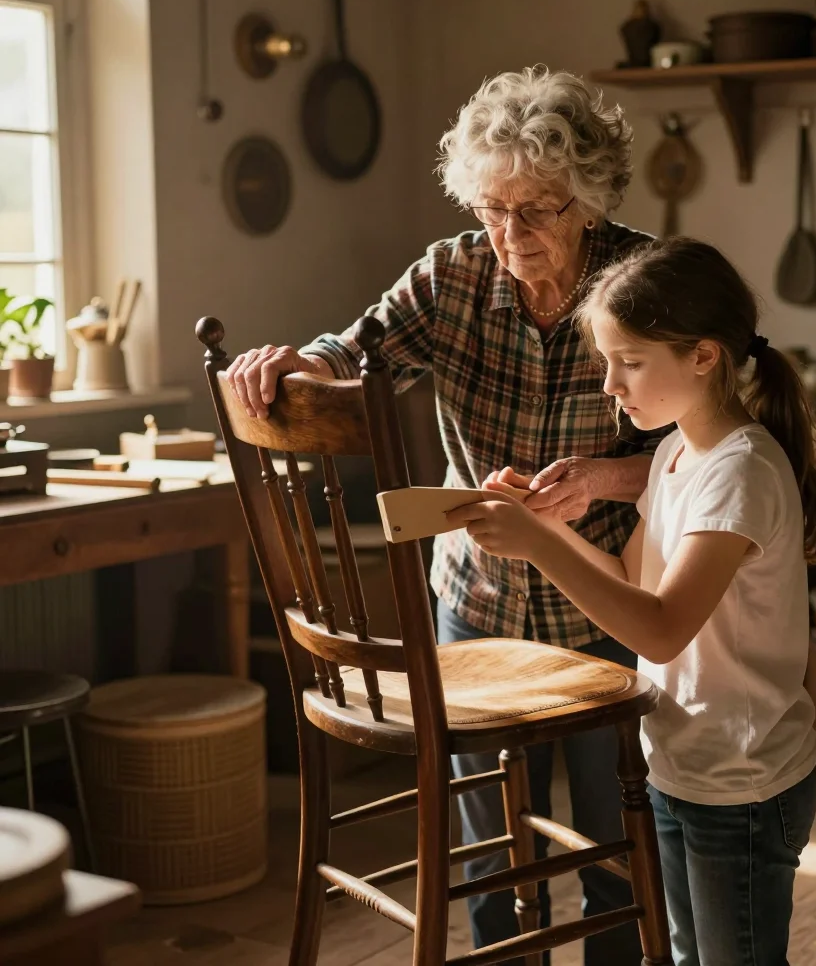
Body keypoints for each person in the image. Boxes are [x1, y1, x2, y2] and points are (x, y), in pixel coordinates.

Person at [226, 66, 668, 964]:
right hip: (478, 602)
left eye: (537, 210)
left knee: (611, 838)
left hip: (604, 601)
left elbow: (705, 443)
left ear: (587, 199)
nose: (511, 235)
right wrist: (286, 365)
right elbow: (347, 357)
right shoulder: (453, 276)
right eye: (493, 209)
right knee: (489, 846)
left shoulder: (646, 282)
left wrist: (599, 481)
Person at [448, 236, 816, 965]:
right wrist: (543, 525)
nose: (611, 385)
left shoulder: (741, 472)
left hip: (746, 784)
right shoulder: (673, 454)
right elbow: (634, 582)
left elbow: (660, 631)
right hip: (677, 764)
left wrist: (536, 546)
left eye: (629, 362)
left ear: (703, 356)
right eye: (607, 361)